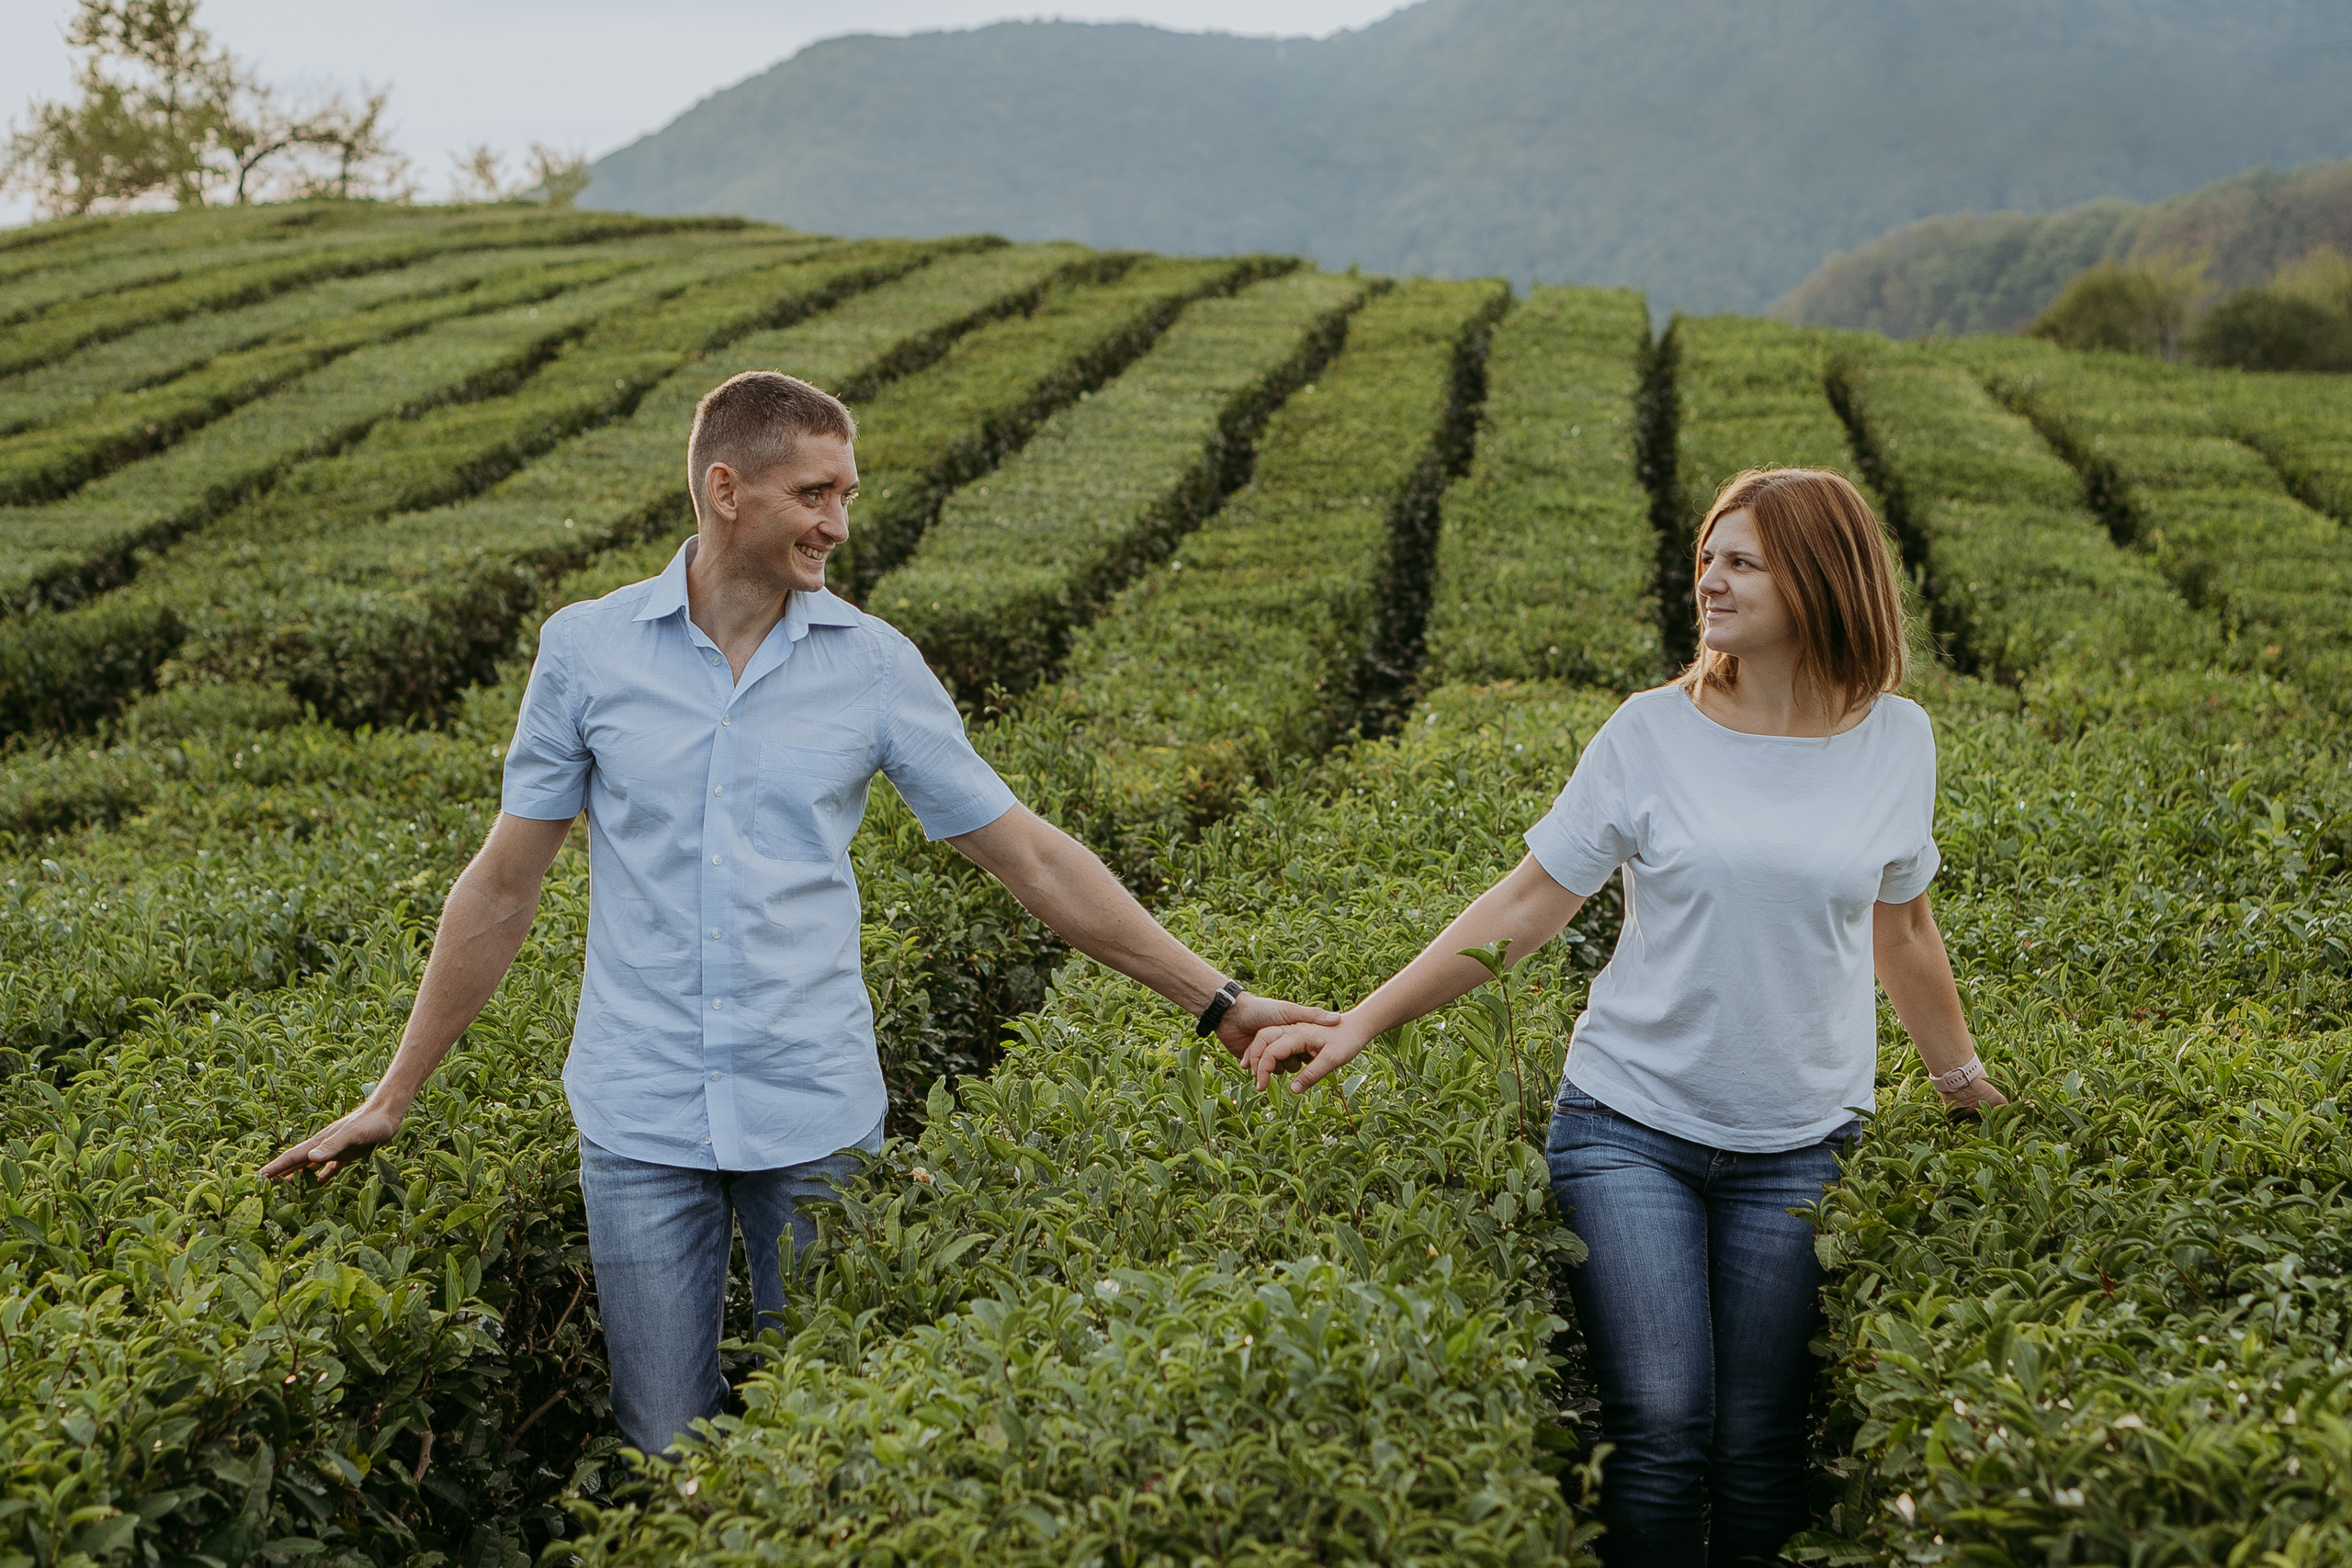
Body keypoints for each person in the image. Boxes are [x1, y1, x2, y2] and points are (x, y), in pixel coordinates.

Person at [264, 369, 1337, 1457]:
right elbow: (503, 885)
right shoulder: (586, 651)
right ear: (725, 489)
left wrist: (1219, 1003)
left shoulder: (872, 666)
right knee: (662, 1443)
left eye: (847, 496)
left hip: (814, 1113)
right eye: (814, 495)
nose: (838, 525)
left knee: (829, 1437)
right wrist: (393, 1094)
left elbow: (1031, 858)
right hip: (639, 1118)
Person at [1242, 468, 2006, 1568]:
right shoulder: (1650, 732)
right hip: (1628, 1126)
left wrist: (1960, 1081)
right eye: (1708, 558)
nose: (1710, 581)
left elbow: (1907, 930)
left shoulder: (1898, 739)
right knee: (1659, 1424)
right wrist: (1363, 1020)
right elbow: (1526, 905)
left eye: (1742, 562)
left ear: (1820, 578)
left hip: (1802, 1143)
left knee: (1758, 1443)